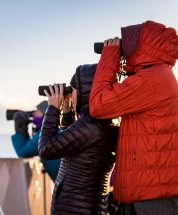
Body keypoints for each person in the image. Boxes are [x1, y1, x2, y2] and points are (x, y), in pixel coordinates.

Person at [89, 20, 178, 214]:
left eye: (130, 43)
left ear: (144, 46)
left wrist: (110, 55)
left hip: (152, 200)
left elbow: (98, 105)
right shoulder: (158, 75)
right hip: (151, 194)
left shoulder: (153, 79)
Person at [38, 64, 118, 215]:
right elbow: (73, 144)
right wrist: (67, 112)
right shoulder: (103, 122)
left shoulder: (91, 125)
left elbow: (46, 149)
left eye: (73, 90)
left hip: (76, 209)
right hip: (87, 206)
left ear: (84, 92)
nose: (71, 94)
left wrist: (53, 108)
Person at [11, 100, 60, 182]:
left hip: (65, 181)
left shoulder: (46, 133)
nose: (34, 114)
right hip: (65, 179)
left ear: (46, 114)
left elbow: (23, 152)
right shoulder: (55, 128)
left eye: (38, 111)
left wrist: (20, 130)